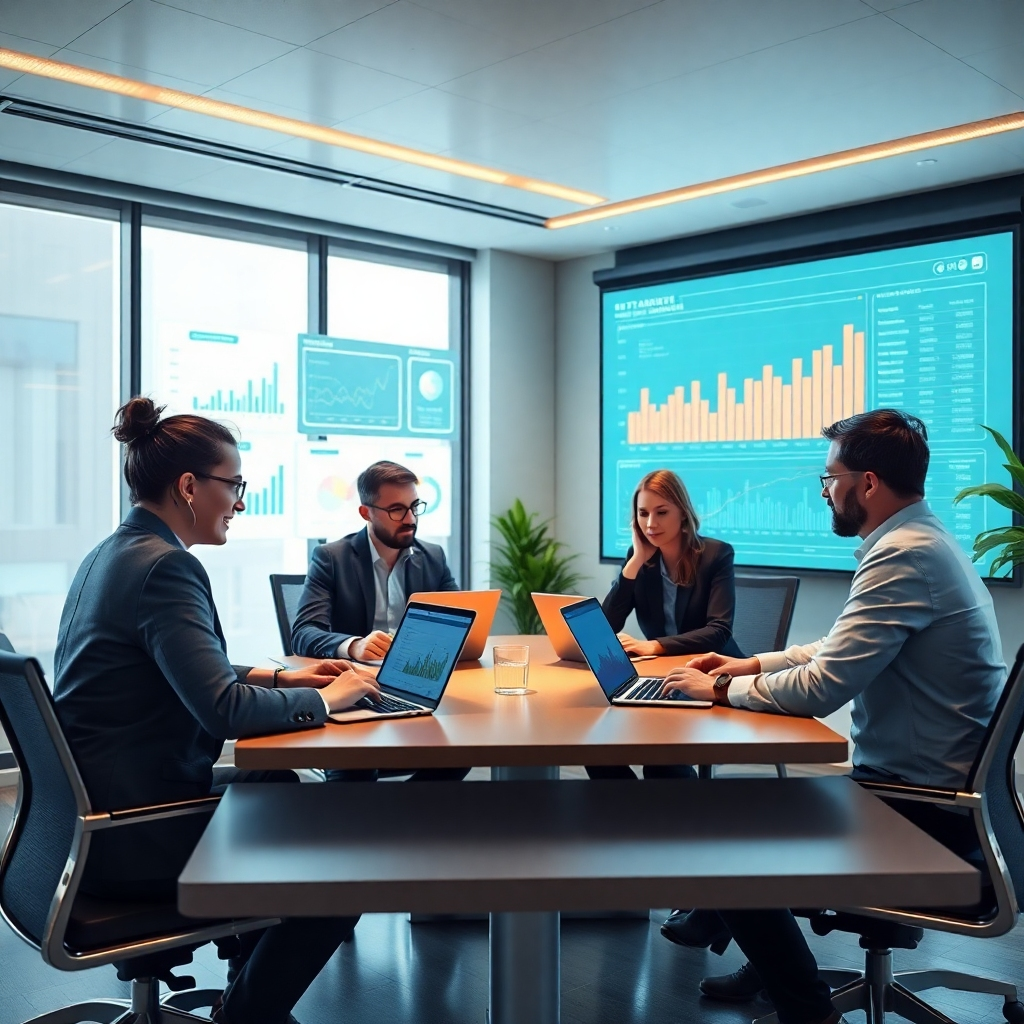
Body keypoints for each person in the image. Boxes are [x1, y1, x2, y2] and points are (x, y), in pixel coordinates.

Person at [660, 409, 1005, 1023]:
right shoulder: (923, 541)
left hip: (924, 810)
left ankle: (804, 1004)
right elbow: (839, 645)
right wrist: (748, 665)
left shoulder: (905, 555)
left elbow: (822, 687)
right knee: (742, 817)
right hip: (925, 791)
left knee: (721, 835)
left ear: (867, 483)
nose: (826, 491)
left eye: (830, 479)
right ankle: (753, 945)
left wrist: (713, 693)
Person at [54, 398, 381, 1024]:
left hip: (92, 815)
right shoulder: (167, 568)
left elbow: (172, 669)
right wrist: (325, 699)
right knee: (349, 864)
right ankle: (247, 1017)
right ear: (187, 486)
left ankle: (247, 981)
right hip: (132, 833)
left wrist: (282, 674)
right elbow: (225, 713)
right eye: (233, 485)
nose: (239, 501)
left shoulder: (115, 552)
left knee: (272, 780)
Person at [291, 460, 468, 784]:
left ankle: (407, 824)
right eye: (397, 510)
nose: (411, 519)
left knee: (463, 749)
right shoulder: (332, 557)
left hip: (417, 686)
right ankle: (369, 826)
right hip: (356, 689)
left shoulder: (433, 557)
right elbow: (303, 634)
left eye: (415, 506)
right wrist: (354, 645)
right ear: (366, 512)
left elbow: (458, 621)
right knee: (354, 769)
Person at [587, 469, 741, 781]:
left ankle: (674, 821)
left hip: (711, 673)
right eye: (642, 514)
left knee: (660, 761)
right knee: (597, 746)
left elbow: (719, 630)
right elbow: (606, 626)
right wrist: (633, 564)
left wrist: (653, 646)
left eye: (661, 513)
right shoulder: (641, 558)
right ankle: (631, 820)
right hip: (662, 674)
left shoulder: (715, 555)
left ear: (682, 513)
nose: (651, 524)